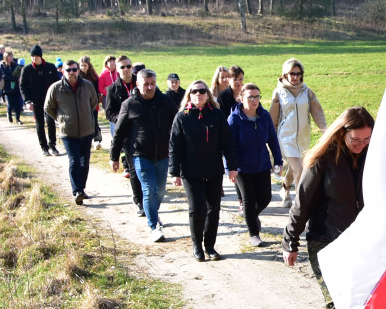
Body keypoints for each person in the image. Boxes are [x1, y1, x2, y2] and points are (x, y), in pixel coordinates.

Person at [282, 106, 374, 309]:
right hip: (326, 242)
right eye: (355, 140)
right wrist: (290, 241)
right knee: (338, 304)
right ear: (341, 133)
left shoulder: (372, 156)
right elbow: (302, 204)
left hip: (360, 242)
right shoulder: (322, 160)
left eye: (366, 140)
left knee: (357, 302)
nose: (361, 146)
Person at [169, 79, 238, 262]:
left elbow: (227, 143)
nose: (198, 94)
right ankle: (197, 245)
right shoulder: (182, 117)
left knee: (213, 210)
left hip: (213, 170)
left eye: (202, 91)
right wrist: (174, 172)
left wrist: (231, 167)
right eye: (194, 91)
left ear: (208, 94)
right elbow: (175, 146)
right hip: (191, 172)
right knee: (198, 209)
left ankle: (210, 246)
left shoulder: (217, 115)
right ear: (189, 95)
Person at [111, 69, 178, 243]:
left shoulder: (166, 101)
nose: (150, 87)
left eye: (152, 84)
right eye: (146, 84)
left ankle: (153, 214)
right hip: (140, 154)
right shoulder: (130, 104)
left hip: (163, 154)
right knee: (149, 189)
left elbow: (178, 125)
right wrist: (114, 156)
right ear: (138, 84)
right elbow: (118, 132)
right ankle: (154, 226)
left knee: (161, 190)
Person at [228, 83, 282, 247]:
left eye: (257, 96)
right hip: (242, 167)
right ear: (241, 98)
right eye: (250, 97)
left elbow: (272, 139)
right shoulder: (234, 119)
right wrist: (230, 168)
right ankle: (253, 234)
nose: (254, 100)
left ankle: (249, 215)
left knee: (266, 198)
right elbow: (228, 146)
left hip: (262, 165)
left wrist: (278, 161)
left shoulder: (264, 116)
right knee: (249, 200)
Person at [269, 58, 326, 206]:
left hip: (303, 137)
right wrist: (270, 138)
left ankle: (285, 189)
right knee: (299, 169)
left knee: (296, 168)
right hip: (285, 137)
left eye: (298, 73)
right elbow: (273, 118)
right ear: (285, 75)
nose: (295, 77)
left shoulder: (307, 92)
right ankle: (300, 204)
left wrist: (324, 129)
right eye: (291, 73)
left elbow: (317, 112)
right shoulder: (279, 93)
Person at [44, 59, 99, 205]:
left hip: (87, 131)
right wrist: (61, 119)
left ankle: (82, 188)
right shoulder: (56, 88)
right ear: (63, 71)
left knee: (84, 162)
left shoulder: (87, 86)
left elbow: (94, 103)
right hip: (68, 133)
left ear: (78, 71)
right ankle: (77, 191)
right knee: (74, 160)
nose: (71, 73)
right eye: (68, 70)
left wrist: (85, 116)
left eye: (74, 70)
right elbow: (48, 107)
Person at [105, 55, 144, 215]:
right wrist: (122, 120)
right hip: (127, 134)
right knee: (134, 168)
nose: (126, 70)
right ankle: (139, 201)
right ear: (117, 69)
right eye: (123, 67)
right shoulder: (113, 89)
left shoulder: (141, 83)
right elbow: (109, 113)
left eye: (128, 66)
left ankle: (150, 197)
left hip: (144, 130)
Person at [20, 45, 62, 156]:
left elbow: (57, 84)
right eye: (32, 56)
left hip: (49, 101)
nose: (34, 58)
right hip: (35, 101)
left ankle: (52, 145)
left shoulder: (50, 67)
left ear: (41, 56)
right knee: (39, 124)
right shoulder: (27, 69)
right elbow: (23, 86)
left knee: (50, 122)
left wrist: (57, 98)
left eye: (36, 56)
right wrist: (27, 101)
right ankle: (44, 147)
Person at [0, 50, 24, 124]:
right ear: (5, 57)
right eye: (9, 56)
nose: (10, 58)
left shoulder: (15, 65)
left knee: (18, 103)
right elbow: (4, 76)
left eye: (11, 56)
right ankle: (9, 114)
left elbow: (19, 73)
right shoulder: (2, 65)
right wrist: (16, 79)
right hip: (7, 87)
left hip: (16, 86)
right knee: (11, 103)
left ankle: (18, 119)